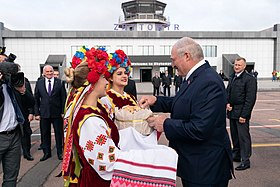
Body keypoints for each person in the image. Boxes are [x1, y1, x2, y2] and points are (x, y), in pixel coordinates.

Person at [62, 47, 178, 187]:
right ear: (93, 82)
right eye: (104, 77)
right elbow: (106, 163)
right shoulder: (90, 121)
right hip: (98, 181)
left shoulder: (92, 113)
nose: (106, 82)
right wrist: (153, 158)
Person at [139, 37, 233, 186]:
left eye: (173, 59)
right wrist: (156, 101)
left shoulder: (208, 82)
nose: (172, 64)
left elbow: (199, 128)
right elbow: (182, 102)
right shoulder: (195, 77)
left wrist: (165, 124)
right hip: (194, 165)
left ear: (187, 56)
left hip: (205, 169)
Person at [226, 57, 257, 171]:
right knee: (235, 136)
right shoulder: (232, 77)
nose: (236, 67)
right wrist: (227, 103)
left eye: (239, 65)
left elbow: (250, 99)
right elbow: (228, 91)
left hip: (241, 113)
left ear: (244, 66)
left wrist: (244, 115)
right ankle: (237, 155)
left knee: (243, 137)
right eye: (235, 64)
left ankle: (245, 160)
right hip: (232, 111)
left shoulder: (250, 79)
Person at [0, 61, 27, 186]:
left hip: (14, 135)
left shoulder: (13, 86)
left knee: (11, 178)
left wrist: (22, 91)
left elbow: (30, 103)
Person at [34, 65, 66, 161]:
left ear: (53, 72)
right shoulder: (39, 83)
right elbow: (36, 98)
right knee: (45, 133)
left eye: (51, 71)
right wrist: (37, 113)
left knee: (58, 133)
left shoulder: (59, 82)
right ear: (43, 73)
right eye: (47, 71)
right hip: (44, 113)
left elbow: (63, 98)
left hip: (57, 113)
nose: (49, 73)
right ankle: (46, 153)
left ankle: (60, 152)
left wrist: (63, 111)